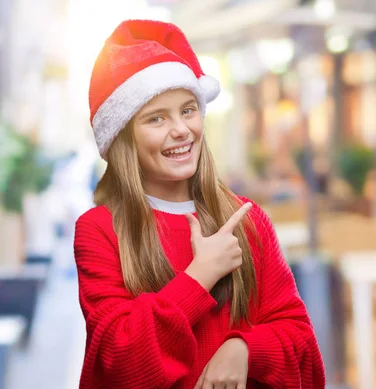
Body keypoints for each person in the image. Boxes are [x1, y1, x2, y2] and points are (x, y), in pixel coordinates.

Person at [74, 19, 326, 389]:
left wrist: (245, 349)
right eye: (156, 118)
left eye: (188, 110)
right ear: (124, 137)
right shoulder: (99, 230)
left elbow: (302, 345)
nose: (181, 129)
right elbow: (120, 363)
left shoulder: (246, 219)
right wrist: (200, 276)